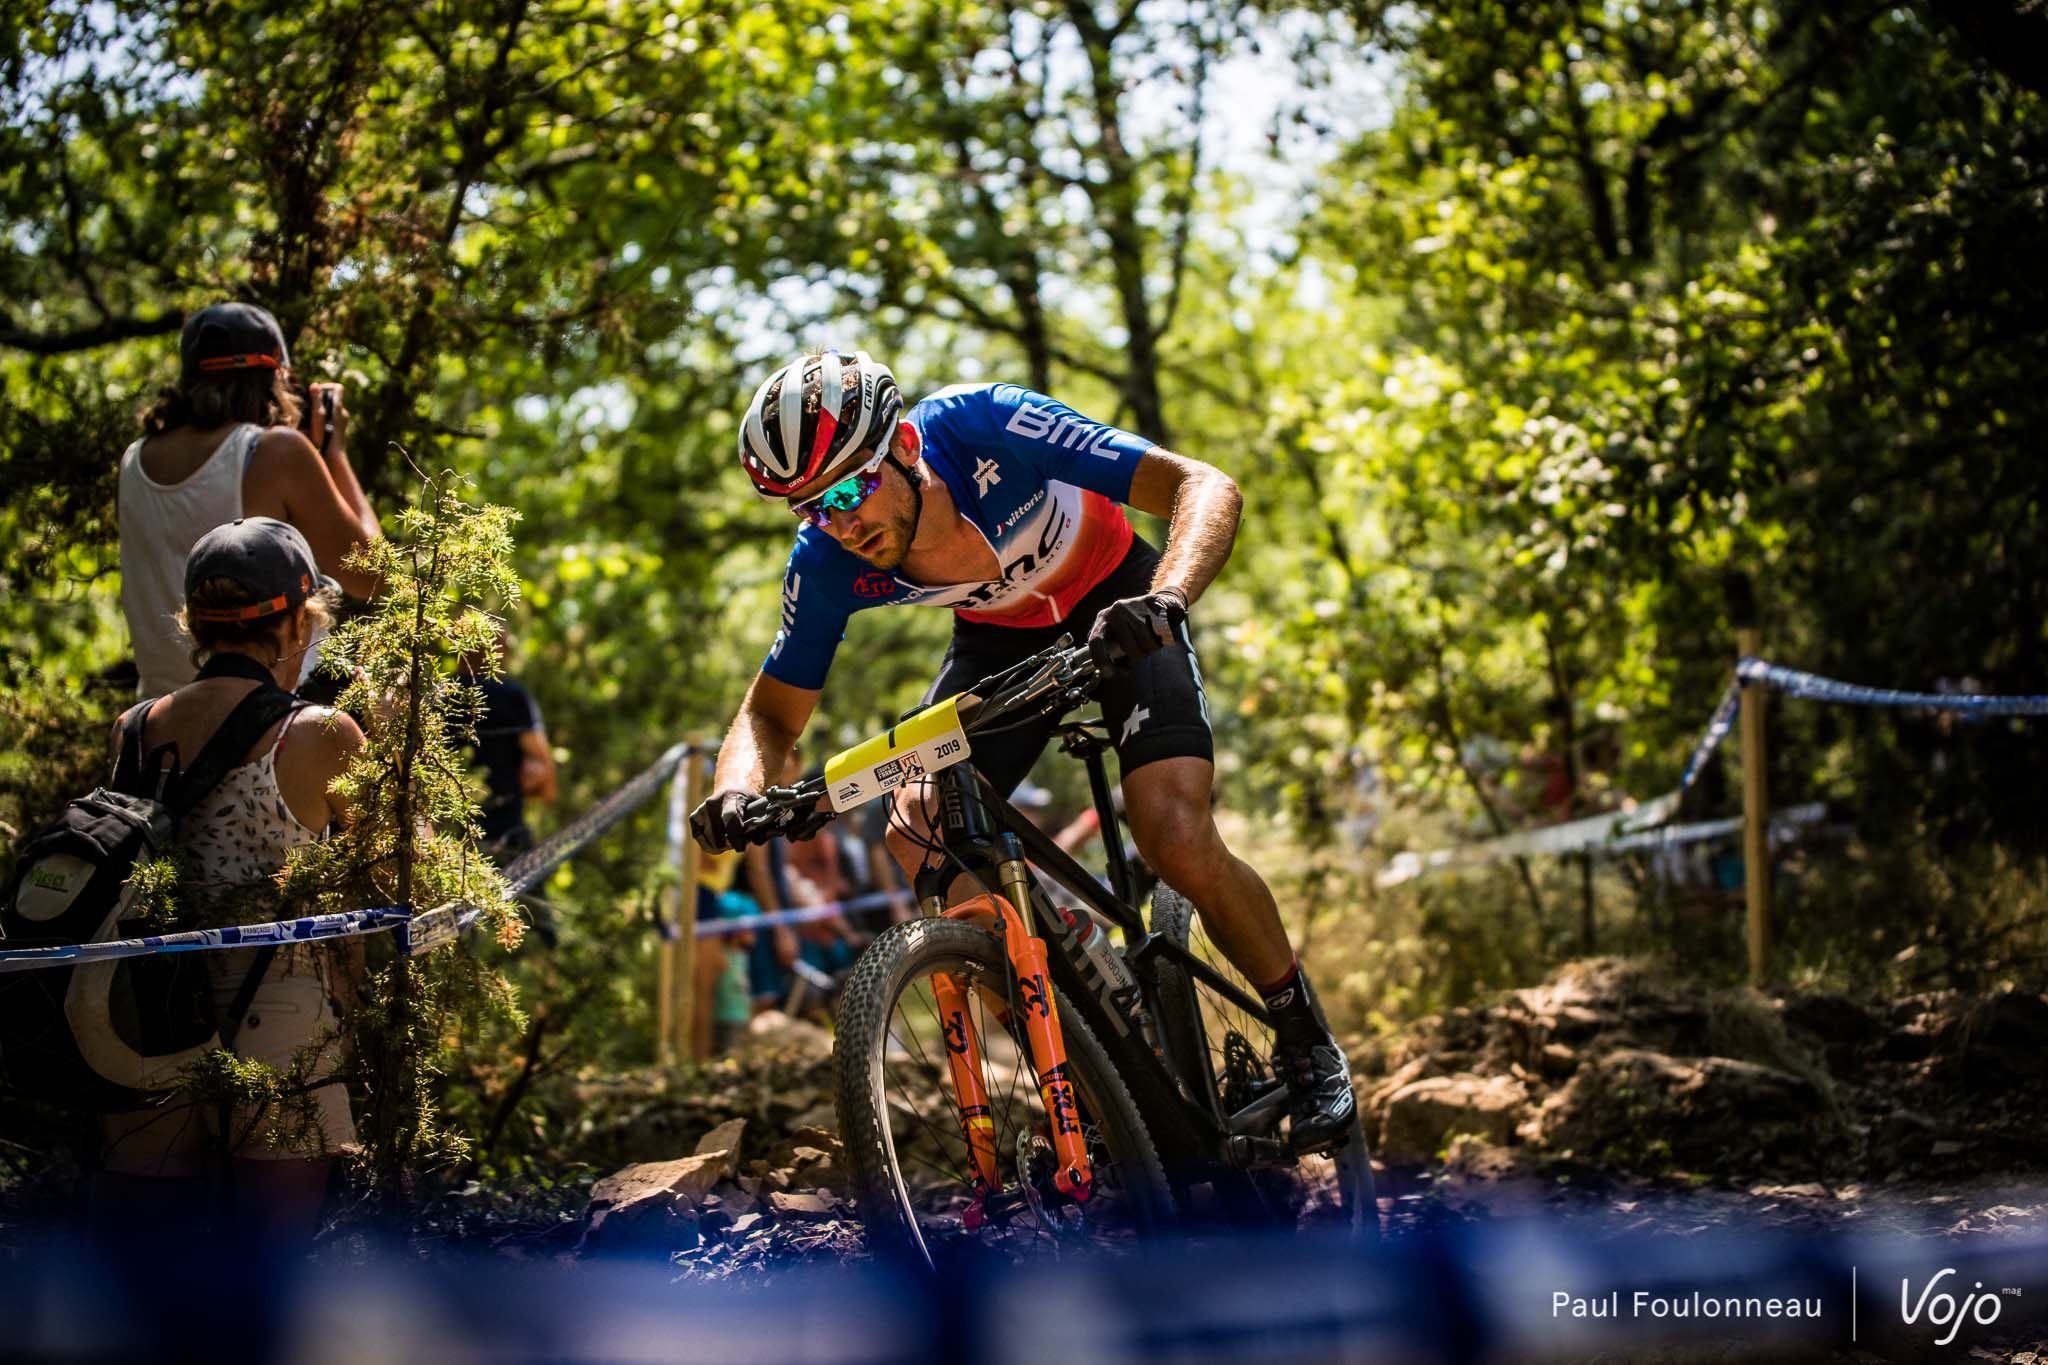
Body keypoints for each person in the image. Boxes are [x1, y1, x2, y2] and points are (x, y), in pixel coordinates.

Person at [689, 351, 1356, 1150]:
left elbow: (1203, 486)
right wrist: (738, 789)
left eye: (848, 489)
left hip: (1119, 602)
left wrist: (1165, 600)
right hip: (999, 644)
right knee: (917, 827)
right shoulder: (829, 557)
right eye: (811, 509)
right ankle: (1085, 1042)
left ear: (904, 443)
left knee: (1172, 831)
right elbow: (771, 713)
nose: (840, 521)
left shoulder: (988, 424)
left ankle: (1303, 1031)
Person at [95, 518, 366, 1249]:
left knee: (151, 1274)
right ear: (297, 620)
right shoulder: (320, 733)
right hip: (281, 1019)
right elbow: (404, 865)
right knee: (264, 1279)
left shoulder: (135, 727)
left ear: (196, 621)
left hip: (146, 1016)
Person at [119, 301, 382, 699]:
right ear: (276, 378)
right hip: (264, 721)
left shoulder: (134, 459)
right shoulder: (275, 452)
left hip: (163, 718)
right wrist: (334, 453)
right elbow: (375, 575)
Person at [457, 630, 559, 861]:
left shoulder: (439, 695)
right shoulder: (512, 696)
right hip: (506, 837)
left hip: (447, 840)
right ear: (498, 651)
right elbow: (547, 779)